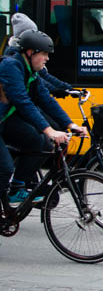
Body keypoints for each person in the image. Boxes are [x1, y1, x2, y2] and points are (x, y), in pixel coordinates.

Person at [0, 30, 72, 210]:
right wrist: (49, 130)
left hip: (5, 121)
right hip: (4, 121)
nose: (47, 58)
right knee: (5, 167)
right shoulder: (11, 66)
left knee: (43, 144)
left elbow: (45, 99)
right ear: (30, 52)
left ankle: (17, 188)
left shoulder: (31, 71)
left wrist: (71, 124)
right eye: (44, 54)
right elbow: (22, 102)